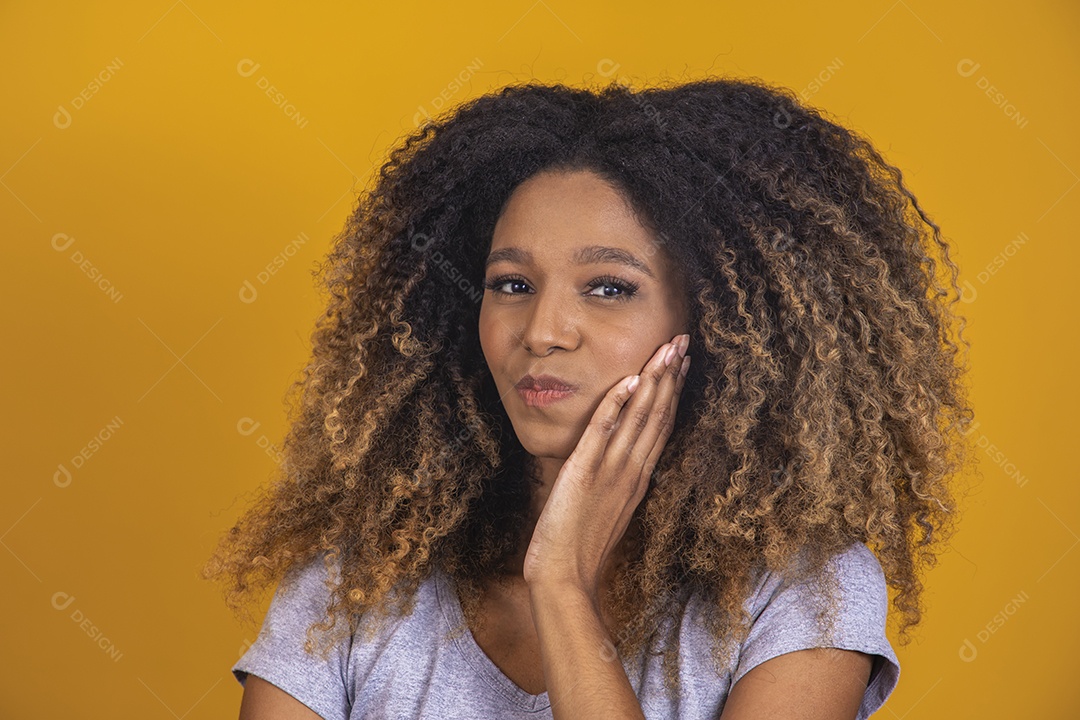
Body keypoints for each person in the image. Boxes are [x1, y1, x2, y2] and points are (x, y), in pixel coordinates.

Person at [202, 75, 973, 719]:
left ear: (722, 327)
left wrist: (562, 587)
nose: (542, 332)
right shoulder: (352, 587)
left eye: (609, 287)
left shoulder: (805, 593)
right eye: (512, 284)